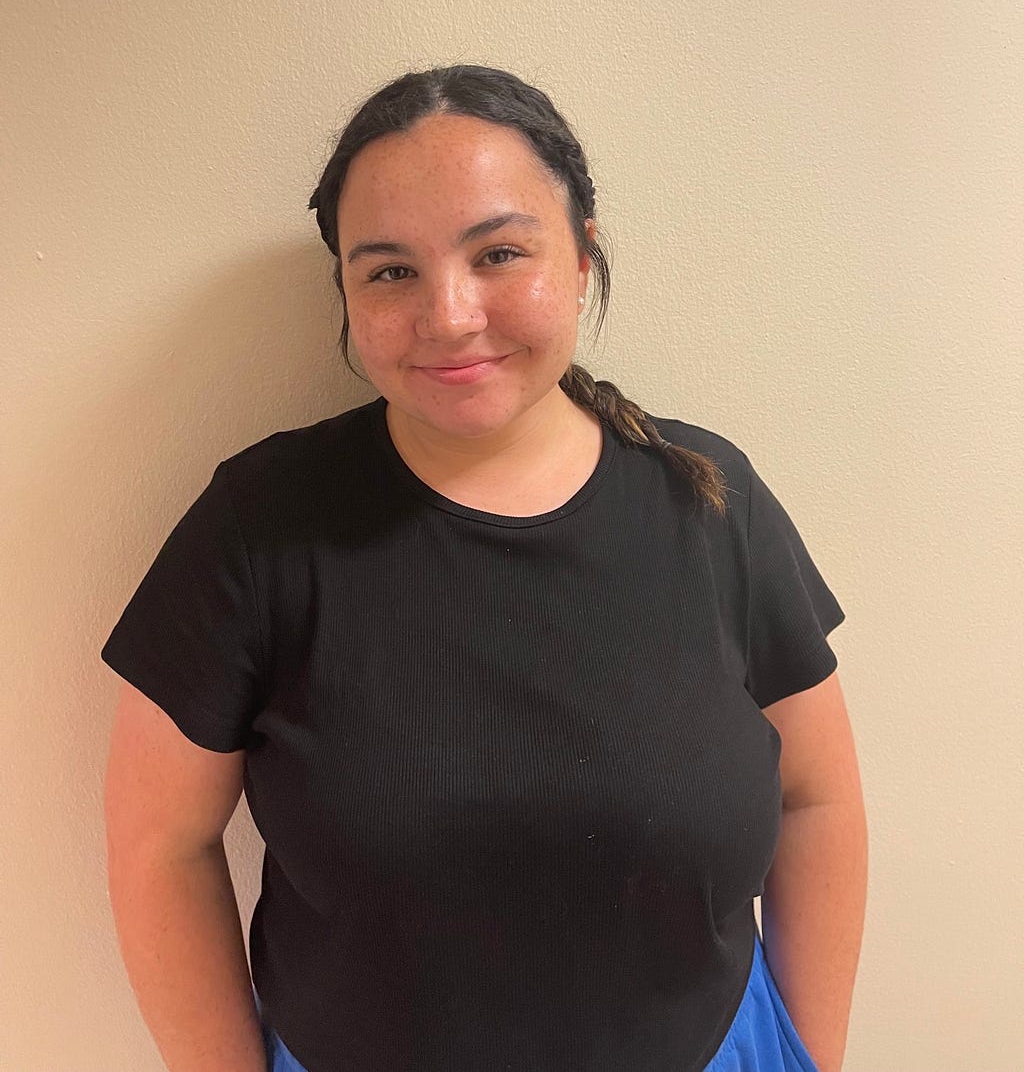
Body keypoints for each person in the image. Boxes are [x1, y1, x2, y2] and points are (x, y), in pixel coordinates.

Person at [102, 64, 867, 1072]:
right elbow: (160, 848)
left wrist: (812, 1055)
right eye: (389, 271)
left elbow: (817, 799)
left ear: (584, 256)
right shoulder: (260, 528)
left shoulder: (709, 501)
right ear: (344, 290)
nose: (450, 315)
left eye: (499, 253)